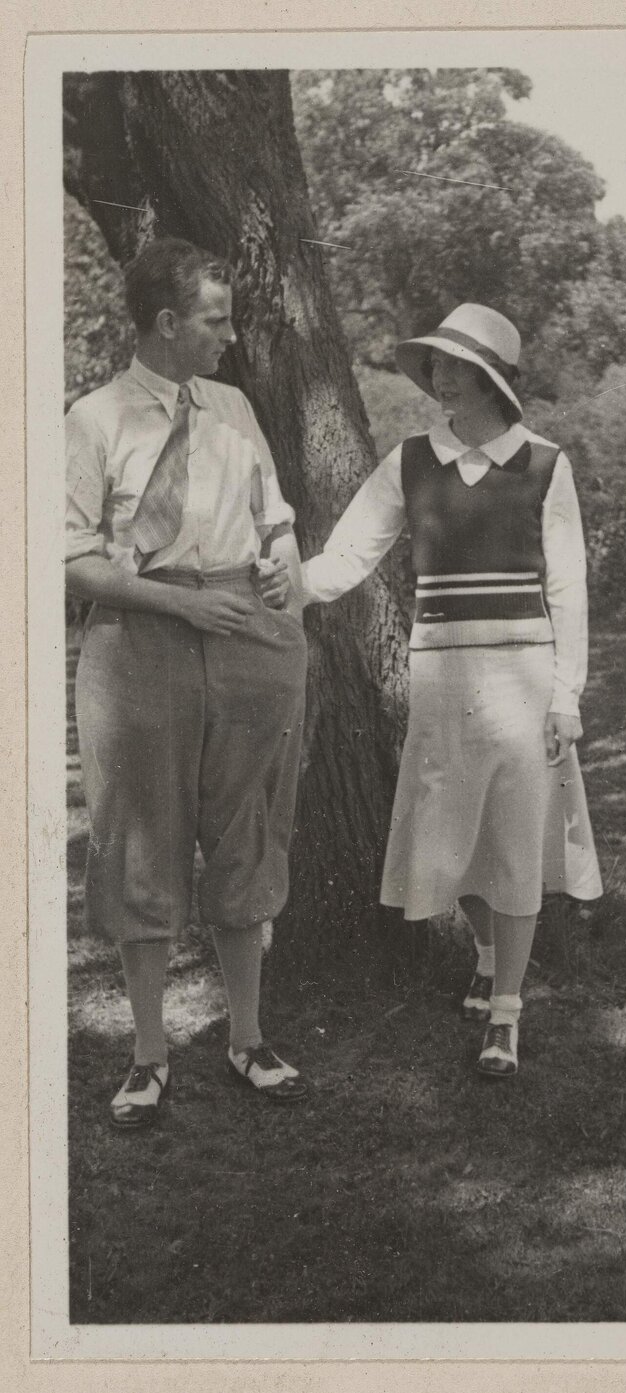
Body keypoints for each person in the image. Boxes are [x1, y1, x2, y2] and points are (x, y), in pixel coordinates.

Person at [302, 303, 603, 1078]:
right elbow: (348, 554)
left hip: (524, 674)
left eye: (451, 362)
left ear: (487, 379)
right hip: (441, 674)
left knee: (512, 840)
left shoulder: (544, 463)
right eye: (433, 360)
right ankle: (482, 948)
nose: (437, 373)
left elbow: (567, 587)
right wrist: (284, 588)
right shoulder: (410, 460)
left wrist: (567, 693)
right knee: (448, 837)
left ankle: (506, 1014)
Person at [65, 236, 310, 1128]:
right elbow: (72, 563)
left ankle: (247, 1037)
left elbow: (274, 520)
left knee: (248, 833)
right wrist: (181, 611)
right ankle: (148, 1054)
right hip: (141, 643)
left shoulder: (235, 408)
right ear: (167, 323)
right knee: (139, 841)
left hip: (247, 632)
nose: (230, 335)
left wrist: (286, 569)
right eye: (215, 320)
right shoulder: (91, 421)